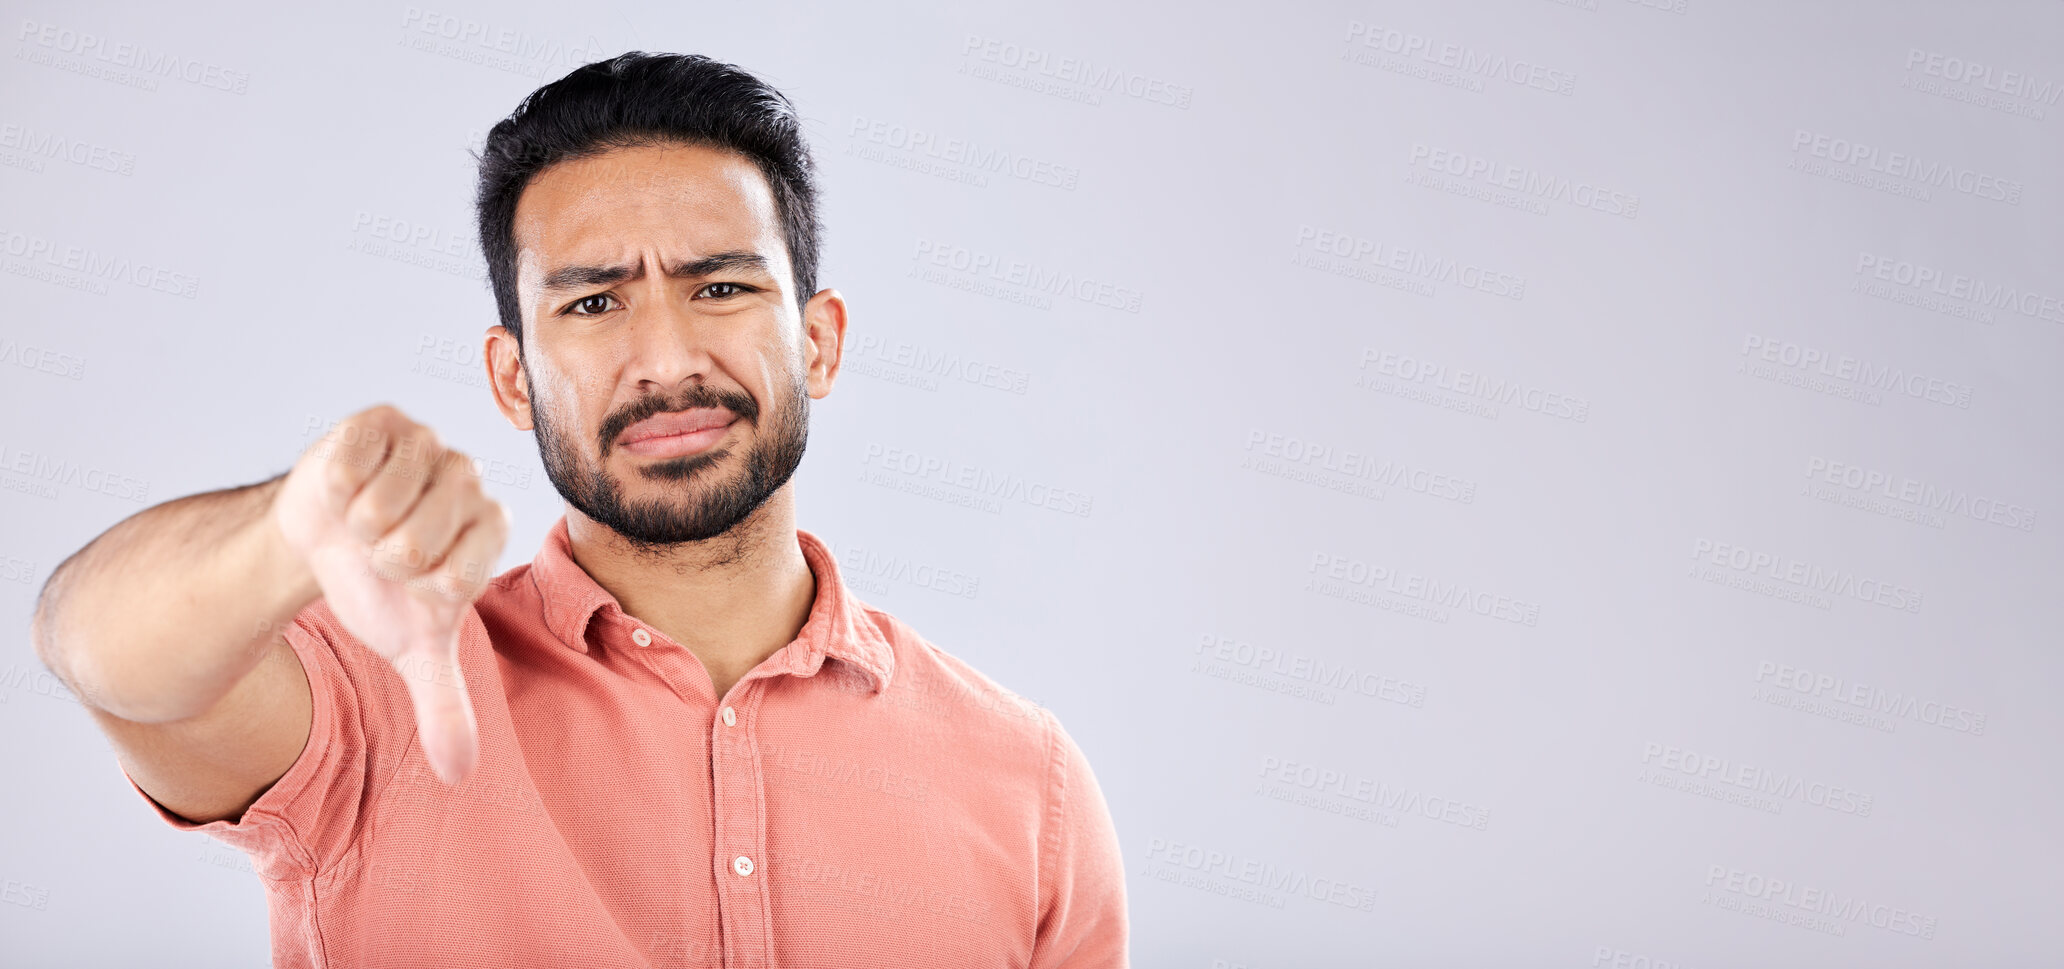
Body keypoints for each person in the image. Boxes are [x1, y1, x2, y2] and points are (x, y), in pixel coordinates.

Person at [29, 51, 1127, 968]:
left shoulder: (1028, 781)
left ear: (819, 340)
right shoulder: (380, 699)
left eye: (722, 286)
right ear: (514, 379)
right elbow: (100, 652)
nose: (664, 359)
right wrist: (284, 530)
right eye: (594, 302)